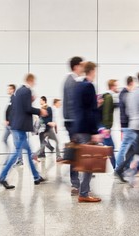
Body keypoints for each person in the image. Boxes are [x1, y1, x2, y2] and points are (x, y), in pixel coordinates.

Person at [0, 73, 47, 189]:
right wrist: (40, 111)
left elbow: (20, 108)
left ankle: (36, 177)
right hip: (20, 127)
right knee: (16, 153)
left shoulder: (19, 91)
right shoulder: (27, 91)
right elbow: (27, 109)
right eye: (34, 81)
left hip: (18, 126)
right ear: (31, 80)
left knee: (29, 152)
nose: (34, 84)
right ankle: (2, 177)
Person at [72, 62, 103, 202]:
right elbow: (90, 111)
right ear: (91, 71)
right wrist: (94, 131)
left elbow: (79, 108)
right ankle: (84, 194)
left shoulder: (78, 86)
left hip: (78, 127)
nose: (95, 74)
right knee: (89, 162)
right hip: (86, 129)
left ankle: (82, 190)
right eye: (95, 71)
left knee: (82, 160)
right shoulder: (89, 86)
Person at [62, 56, 84, 195]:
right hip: (73, 121)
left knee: (77, 152)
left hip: (72, 120)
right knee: (75, 152)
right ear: (76, 66)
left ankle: (77, 181)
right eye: (81, 65)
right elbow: (72, 105)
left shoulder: (71, 81)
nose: (83, 68)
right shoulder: (71, 82)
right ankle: (75, 184)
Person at [115, 76, 136, 173]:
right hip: (127, 124)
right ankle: (119, 167)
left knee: (129, 146)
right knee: (125, 147)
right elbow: (128, 110)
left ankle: (125, 167)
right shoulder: (125, 94)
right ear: (131, 83)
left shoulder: (123, 93)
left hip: (126, 124)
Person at [3, 84, 23, 166]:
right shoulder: (10, 99)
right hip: (9, 125)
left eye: (9, 89)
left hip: (12, 125)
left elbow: (14, 112)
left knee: (16, 143)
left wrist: (9, 121)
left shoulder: (14, 99)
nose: (8, 90)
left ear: (13, 90)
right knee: (4, 139)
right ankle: (8, 158)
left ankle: (20, 160)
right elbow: (9, 111)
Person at [102, 79, 117, 168]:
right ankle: (115, 168)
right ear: (112, 86)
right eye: (116, 85)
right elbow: (106, 112)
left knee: (108, 147)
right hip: (105, 127)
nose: (117, 87)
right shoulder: (108, 97)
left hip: (104, 127)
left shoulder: (107, 96)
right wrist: (107, 127)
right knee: (110, 147)